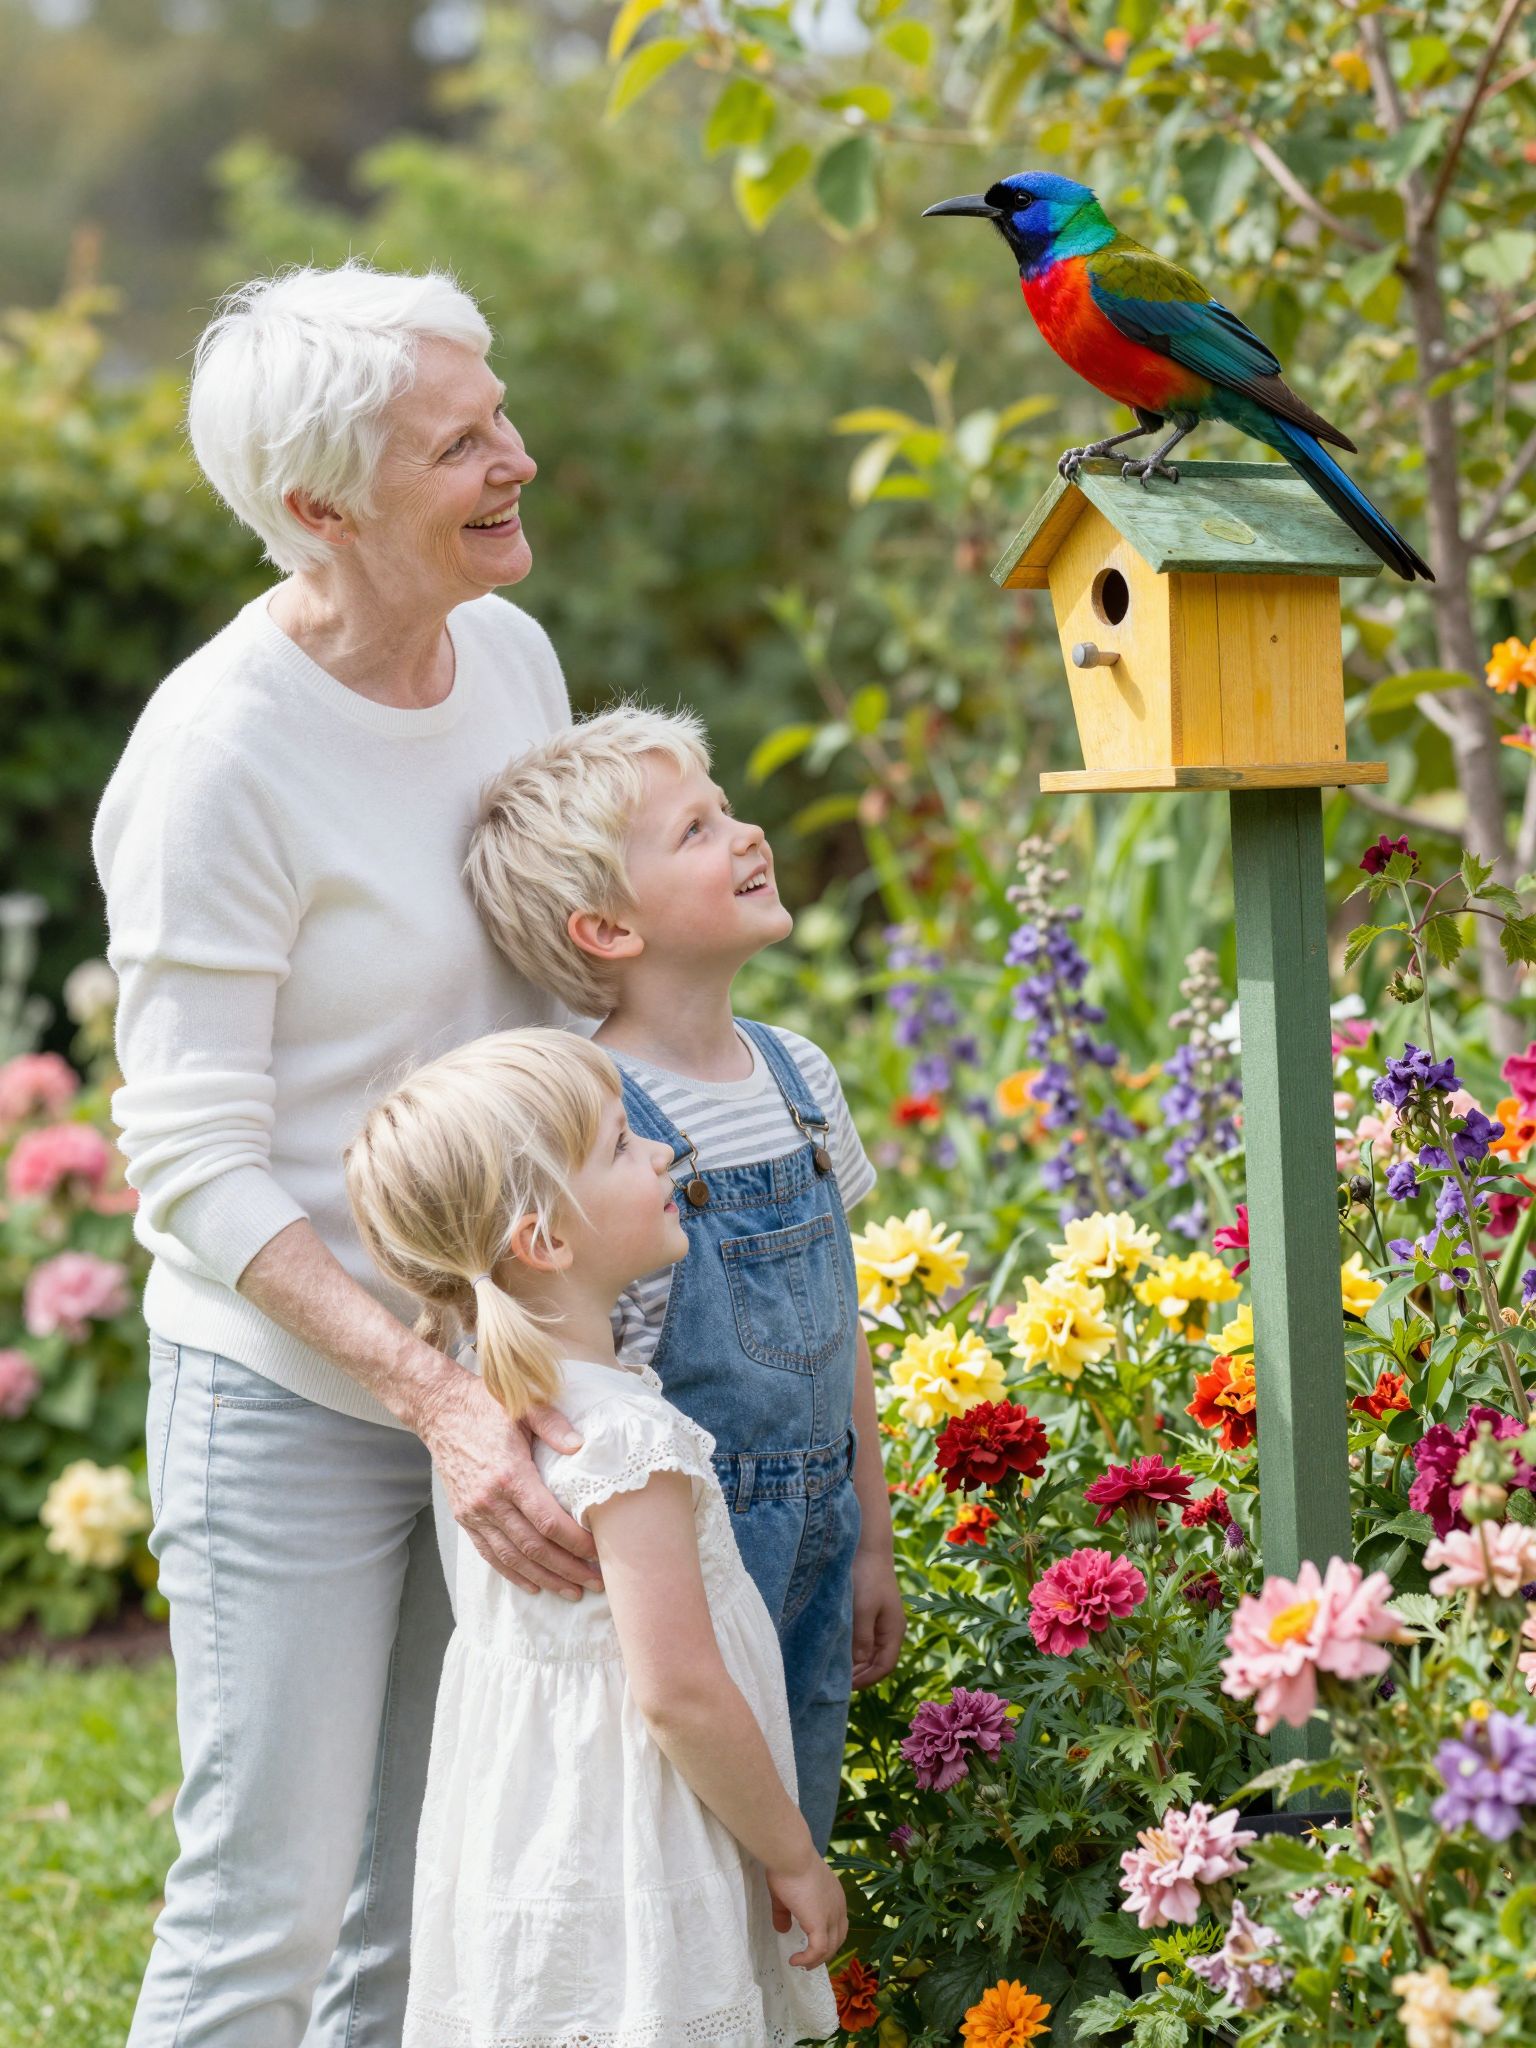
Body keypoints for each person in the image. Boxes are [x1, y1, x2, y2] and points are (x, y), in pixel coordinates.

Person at [92, 261, 603, 2047]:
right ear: (317, 509)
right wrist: (432, 1394)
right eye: (460, 443)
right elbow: (194, 1163)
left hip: (492, 1350)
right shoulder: (216, 756)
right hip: (291, 1382)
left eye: (500, 414)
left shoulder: (513, 655)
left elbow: (559, 967)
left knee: (423, 1888)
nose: (515, 458)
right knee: (271, 1902)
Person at [344, 1028, 844, 2047]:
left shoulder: (488, 1417)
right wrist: (791, 1847)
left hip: (525, 1834)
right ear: (546, 1241)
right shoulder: (626, 1440)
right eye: (622, 1145)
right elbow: (679, 1690)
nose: (663, 1153)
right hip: (635, 1845)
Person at [464, 704, 904, 1849]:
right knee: (699, 1841)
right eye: (698, 828)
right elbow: (586, 1371)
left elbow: (840, 1317)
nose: (747, 832)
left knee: (794, 1829)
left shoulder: (796, 1073)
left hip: (821, 1521)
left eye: (727, 809)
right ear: (607, 926)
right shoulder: (603, 1122)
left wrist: (870, 1537)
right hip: (694, 1557)